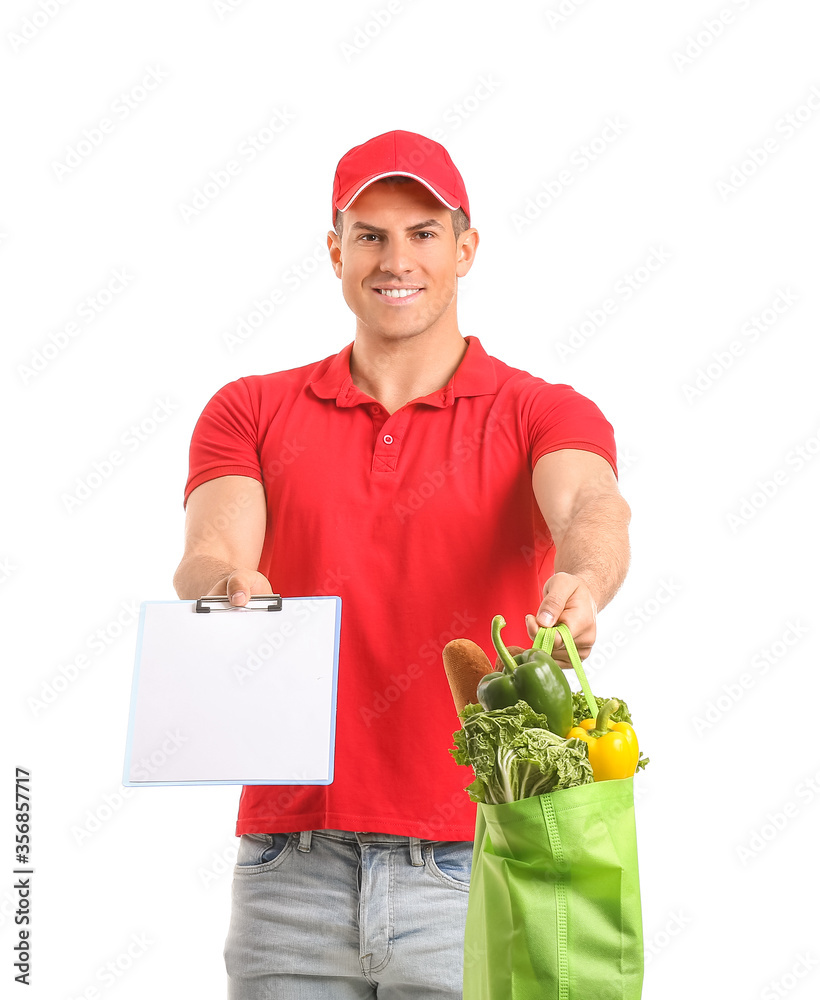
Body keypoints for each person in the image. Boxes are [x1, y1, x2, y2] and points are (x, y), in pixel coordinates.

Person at [173, 129, 631, 999]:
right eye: (372, 233)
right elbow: (208, 549)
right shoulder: (250, 409)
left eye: (423, 232)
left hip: (478, 858)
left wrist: (586, 576)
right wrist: (230, 587)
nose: (398, 258)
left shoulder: (539, 409)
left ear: (465, 248)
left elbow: (591, 506)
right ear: (336, 251)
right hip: (288, 871)